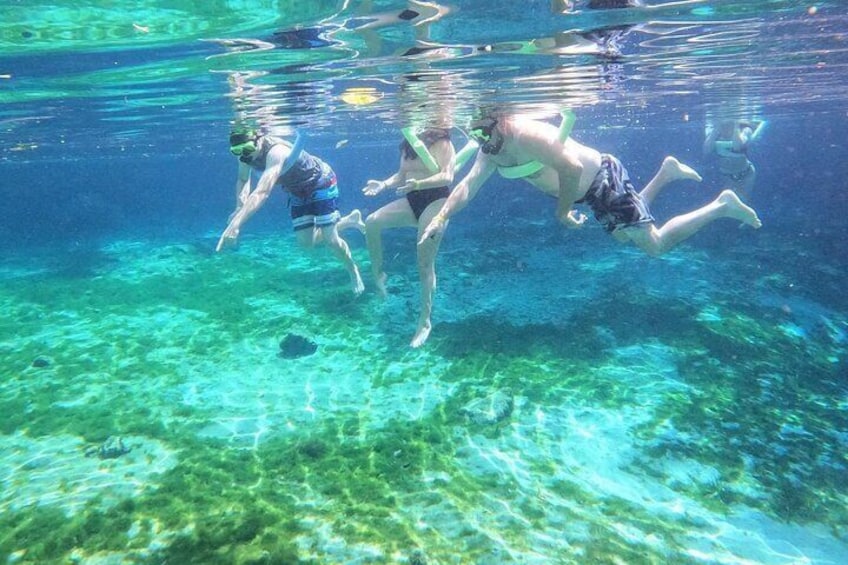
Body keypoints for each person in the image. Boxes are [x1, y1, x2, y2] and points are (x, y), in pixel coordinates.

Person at [420, 109, 762, 258]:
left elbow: (569, 169)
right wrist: (439, 218)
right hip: (591, 194)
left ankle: (722, 205)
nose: (482, 141)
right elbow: (467, 187)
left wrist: (562, 212)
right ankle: (666, 173)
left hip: (601, 180)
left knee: (654, 247)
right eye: (474, 135)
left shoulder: (525, 135)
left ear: (500, 122)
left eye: (485, 133)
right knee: (623, 240)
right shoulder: (489, 149)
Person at [217, 129, 366, 295]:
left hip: (321, 182)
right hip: (296, 190)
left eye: (247, 149)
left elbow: (262, 192)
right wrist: (239, 206)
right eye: (237, 151)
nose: (244, 155)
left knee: (331, 240)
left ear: (259, 139)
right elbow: (243, 179)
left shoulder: (276, 152)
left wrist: (236, 223)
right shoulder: (244, 155)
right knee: (306, 244)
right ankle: (350, 220)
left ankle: (353, 270)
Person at [361, 127, 456, 347]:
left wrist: (420, 184)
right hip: (412, 200)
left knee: (424, 263)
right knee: (372, 222)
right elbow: (402, 175)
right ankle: (378, 273)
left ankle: (425, 322)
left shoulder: (443, 143)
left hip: (437, 202)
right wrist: (383, 184)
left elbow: (447, 175)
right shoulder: (409, 142)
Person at [704, 118, 762, 201]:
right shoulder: (713, 130)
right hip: (726, 175)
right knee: (726, 202)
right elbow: (706, 150)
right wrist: (716, 129)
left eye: (730, 122)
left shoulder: (745, 130)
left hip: (746, 174)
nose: (726, 124)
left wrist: (736, 127)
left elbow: (737, 147)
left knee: (744, 201)